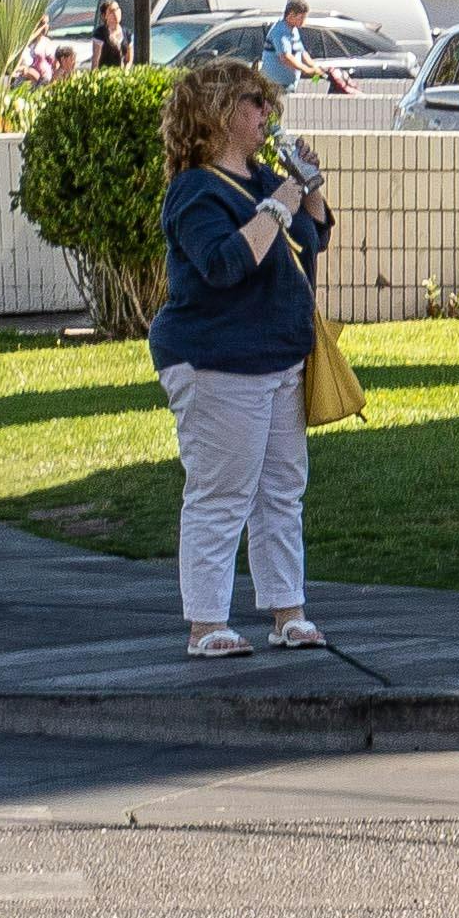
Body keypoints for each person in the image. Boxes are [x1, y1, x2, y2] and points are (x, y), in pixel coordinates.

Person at [150, 54, 331, 662]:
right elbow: (225, 264)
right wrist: (280, 200)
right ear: (219, 112)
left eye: (266, 103)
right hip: (216, 360)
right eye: (254, 103)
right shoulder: (194, 191)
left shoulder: (260, 181)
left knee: (282, 487)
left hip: (279, 358)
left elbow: (306, 244)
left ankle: (288, 612)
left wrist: (308, 194)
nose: (266, 113)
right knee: (222, 490)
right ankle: (206, 624)